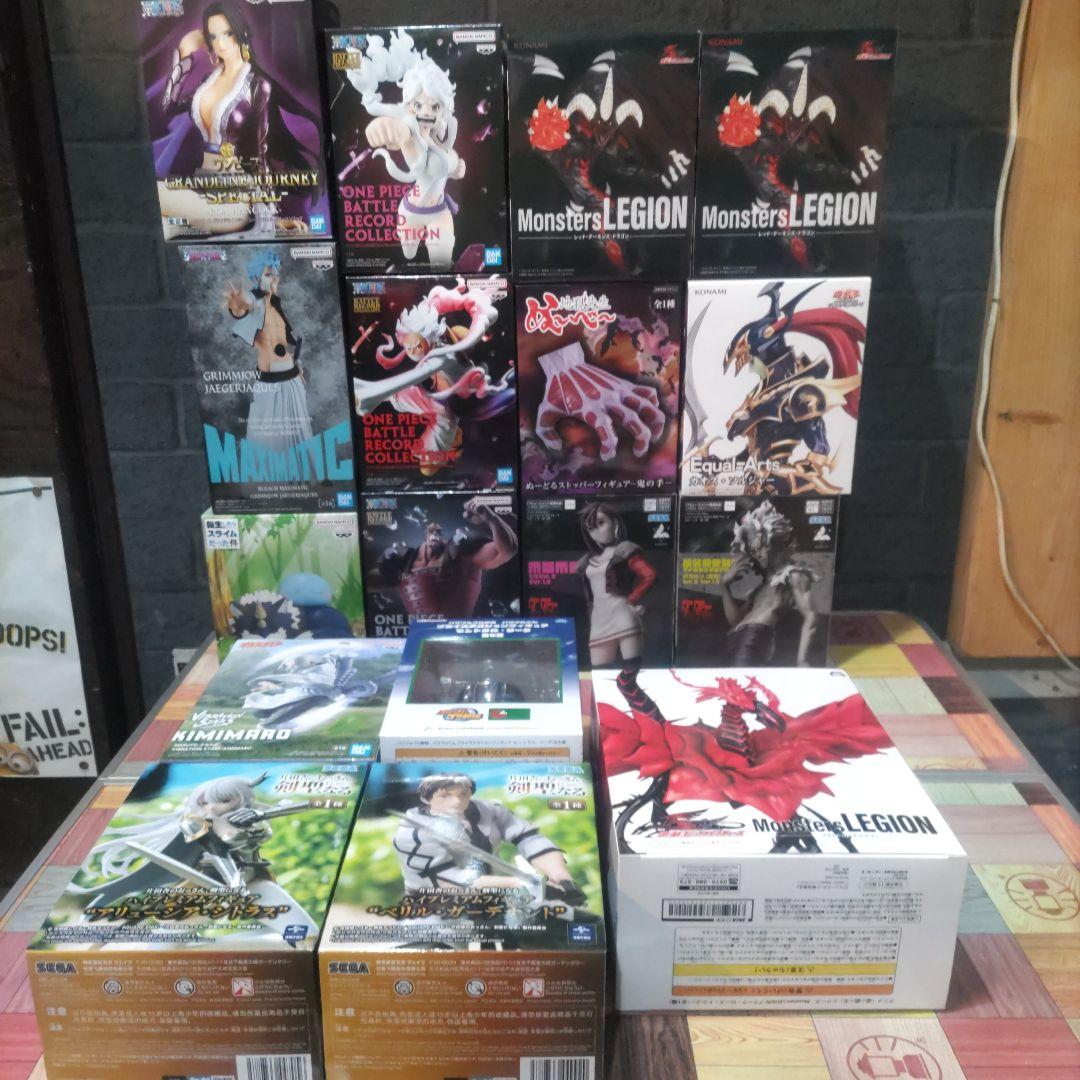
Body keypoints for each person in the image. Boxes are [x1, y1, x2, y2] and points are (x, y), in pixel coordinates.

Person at [393, 773, 584, 903]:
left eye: (463, 793)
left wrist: (561, 877)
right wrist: (521, 884)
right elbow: (450, 880)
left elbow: (528, 837)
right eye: (446, 796)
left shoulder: (487, 810)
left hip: (494, 897)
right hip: (435, 906)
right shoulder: (413, 834)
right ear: (426, 798)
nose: (458, 801)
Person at [369, 499, 518, 622]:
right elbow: (366, 584)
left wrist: (491, 518)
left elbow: (507, 550)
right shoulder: (403, 562)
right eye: (431, 531)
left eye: (439, 532)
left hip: (457, 639)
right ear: (425, 536)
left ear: (446, 538)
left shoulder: (463, 555)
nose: (434, 533)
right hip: (420, 639)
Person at [226, 250, 312, 452]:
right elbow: (242, 306)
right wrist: (236, 304)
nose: (274, 279)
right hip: (269, 384)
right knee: (266, 444)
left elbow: (284, 342)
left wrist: (298, 368)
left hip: (293, 379)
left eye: (275, 274)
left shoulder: (276, 307)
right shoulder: (255, 303)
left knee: (302, 439)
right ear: (256, 279)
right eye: (268, 274)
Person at [717, 500, 821, 665]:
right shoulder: (762, 586)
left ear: (775, 541)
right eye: (753, 550)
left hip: (752, 641)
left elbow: (811, 616)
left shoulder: (793, 574)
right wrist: (724, 586)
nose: (757, 554)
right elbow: (736, 621)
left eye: (761, 546)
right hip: (733, 641)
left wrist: (802, 660)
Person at [575, 503, 656, 668]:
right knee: (600, 674)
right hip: (599, 621)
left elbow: (650, 575)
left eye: (601, 523)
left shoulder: (624, 551)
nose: (597, 531)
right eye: (591, 528)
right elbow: (589, 596)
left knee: (630, 673)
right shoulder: (587, 561)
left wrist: (633, 599)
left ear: (615, 523)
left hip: (623, 616)